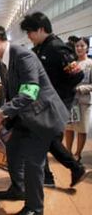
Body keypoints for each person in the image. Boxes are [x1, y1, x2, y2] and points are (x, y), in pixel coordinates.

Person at [0, 23, 69, 215]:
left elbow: (29, 92)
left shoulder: (23, 55)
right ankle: (18, 189)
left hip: (43, 116)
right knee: (13, 149)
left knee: (34, 162)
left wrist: (1, 113)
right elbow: (13, 93)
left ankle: (35, 208)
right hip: (26, 116)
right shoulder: (4, 60)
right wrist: (1, 116)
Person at [20, 12, 88, 188]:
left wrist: (57, 93)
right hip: (45, 102)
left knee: (48, 138)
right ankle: (48, 176)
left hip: (58, 102)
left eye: (30, 32)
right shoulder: (40, 47)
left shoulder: (58, 48)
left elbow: (77, 75)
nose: (28, 36)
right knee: (44, 137)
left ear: (41, 29)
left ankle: (75, 168)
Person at [65, 37, 92, 161]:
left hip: (84, 101)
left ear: (87, 47)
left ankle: (78, 154)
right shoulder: (72, 63)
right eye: (77, 46)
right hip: (71, 100)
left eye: (82, 46)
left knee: (82, 128)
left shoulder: (90, 64)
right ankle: (68, 152)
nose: (79, 48)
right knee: (69, 128)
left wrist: (81, 89)